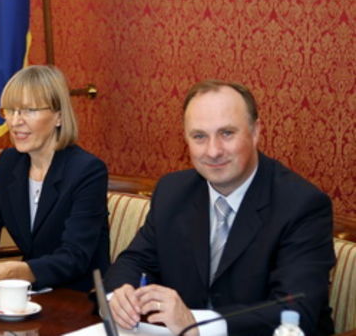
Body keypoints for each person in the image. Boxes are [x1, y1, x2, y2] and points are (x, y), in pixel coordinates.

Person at [105, 80, 335, 336]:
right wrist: (119, 295)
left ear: (256, 132)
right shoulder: (172, 191)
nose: (213, 151)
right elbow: (135, 260)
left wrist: (198, 323)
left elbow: (297, 307)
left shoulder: (301, 205)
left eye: (227, 133)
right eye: (199, 136)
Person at [0, 65, 110, 294]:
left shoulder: (86, 171)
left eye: (29, 111)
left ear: (59, 117)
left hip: (77, 297)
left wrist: (18, 271)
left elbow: (75, 257)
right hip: (29, 296)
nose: (15, 122)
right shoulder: (10, 162)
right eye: (10, 111)